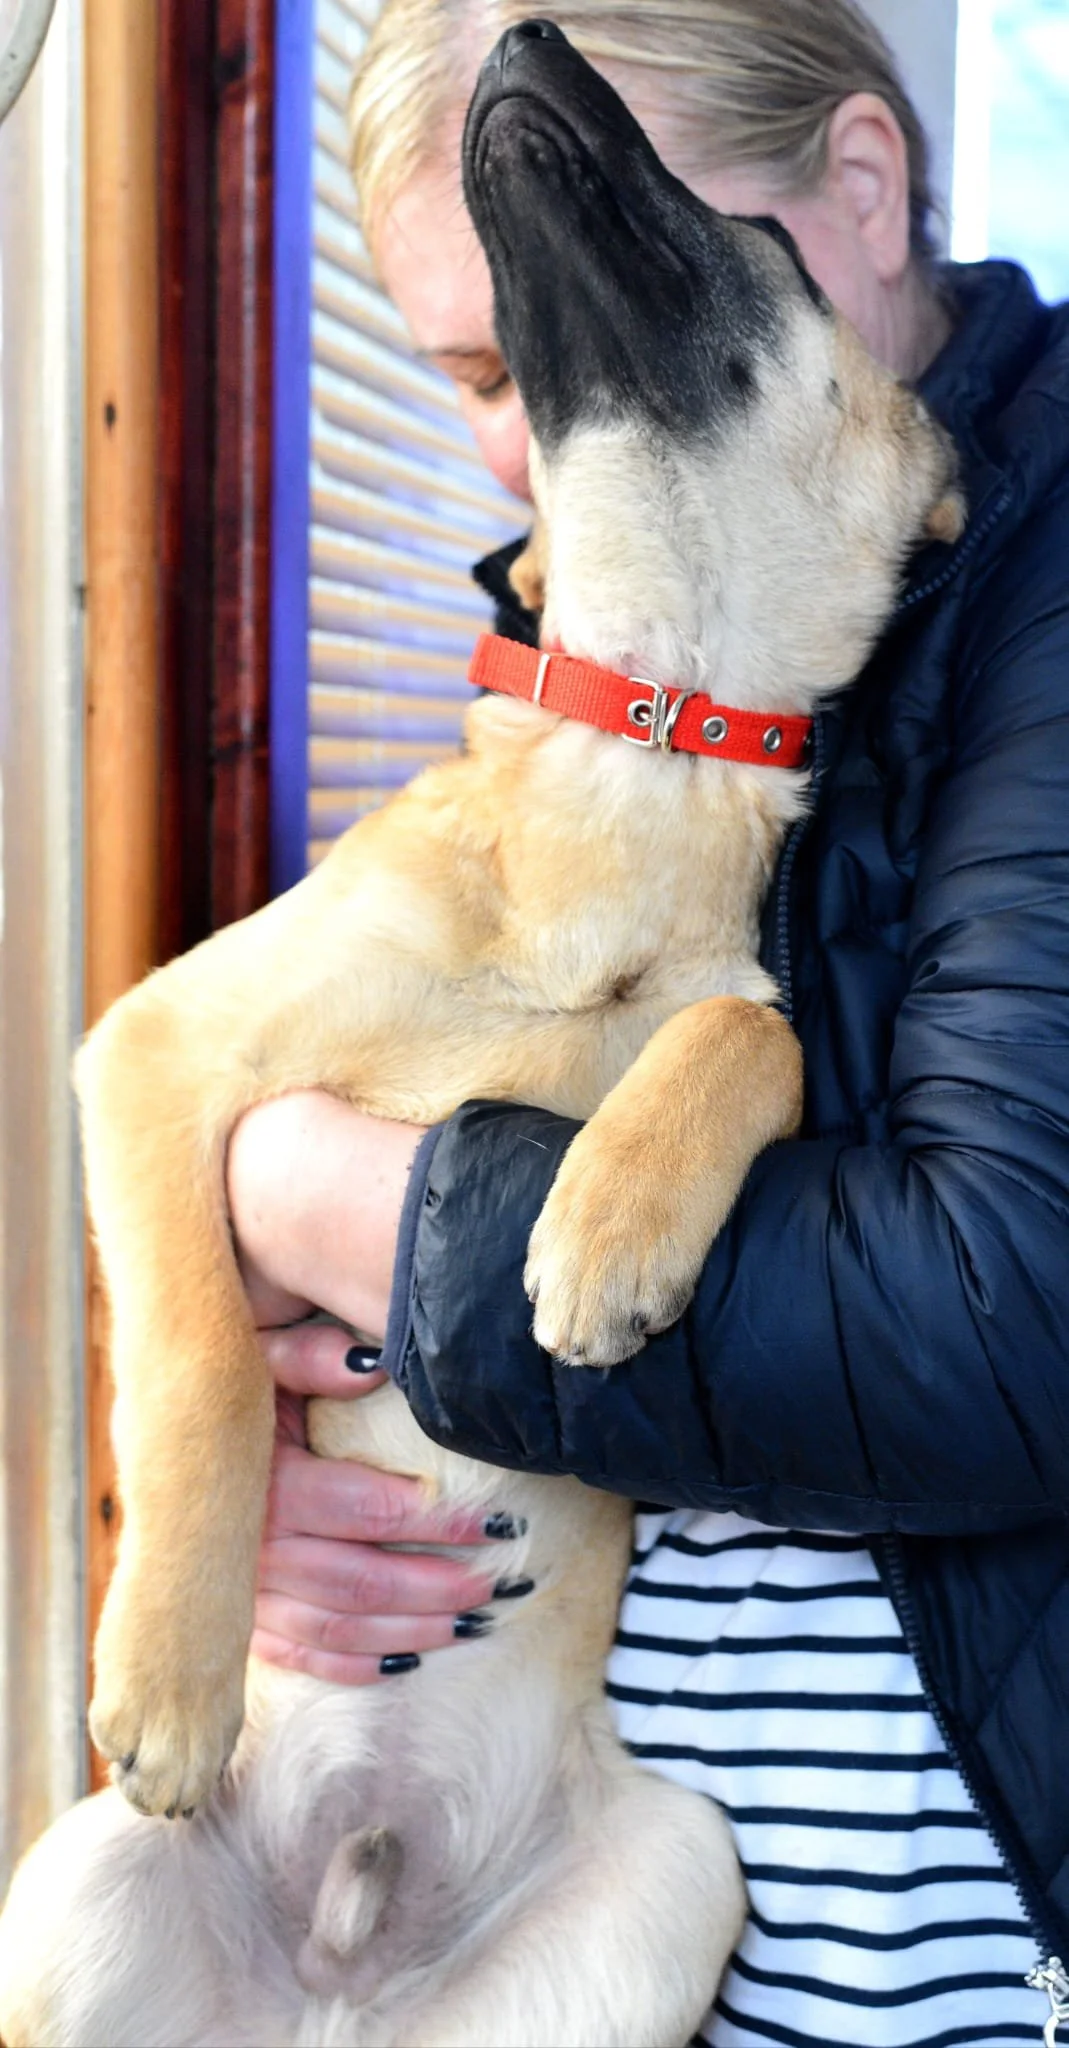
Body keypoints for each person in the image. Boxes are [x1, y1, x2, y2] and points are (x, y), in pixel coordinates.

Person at [226, 2, 1069, 2041]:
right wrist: (273, 1474)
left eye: (604, 286)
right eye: (489, 369)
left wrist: (355, 1209)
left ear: (862, 190)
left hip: (925, 1967)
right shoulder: (590, 614)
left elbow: (996, 1314)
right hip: (586, 1908)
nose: (554, 436)